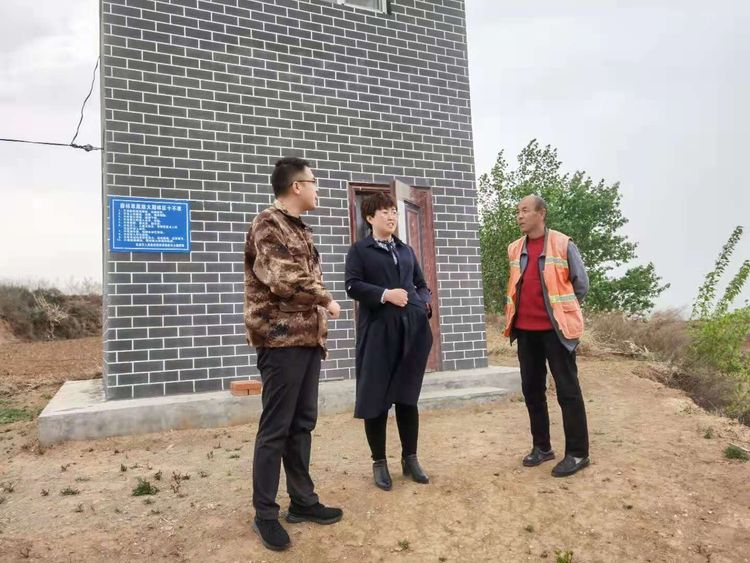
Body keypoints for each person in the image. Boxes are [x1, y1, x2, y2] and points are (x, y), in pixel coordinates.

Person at [244, 157, 343, 551]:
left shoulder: (300, 228)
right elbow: (284, 279)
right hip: (279, 339)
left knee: (302, 424)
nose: (318, 188)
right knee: (276, 428)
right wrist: (326, 298)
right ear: (297, 186)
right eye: (314, 181)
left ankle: (302, 501)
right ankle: (265, 514)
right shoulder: (267, 224)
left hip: (306, 339)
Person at [344, 192, 433, 491]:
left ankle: (411, 458)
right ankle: (379, 462)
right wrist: (385, 295)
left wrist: (422, 305)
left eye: (393, 210)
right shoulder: (360, 250)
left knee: (407, 397)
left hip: (410, 332)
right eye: (384, 211)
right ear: (370, 218)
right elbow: (352, 285)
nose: (391, 216)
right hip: (377, 334)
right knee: (376, 398)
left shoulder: (406, 250)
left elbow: (421, 284)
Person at [504, 195, 591, 477]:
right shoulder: (515, 248)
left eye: (525, 211)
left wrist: (561, 312)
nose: (519, 216)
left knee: (568, 391)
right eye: (517, 211)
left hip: (556, 332)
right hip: (525, 331)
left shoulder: (563, 244)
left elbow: (581, 285)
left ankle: (578, 453)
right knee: (532, 391)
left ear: (541, 214)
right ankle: (542, 447)